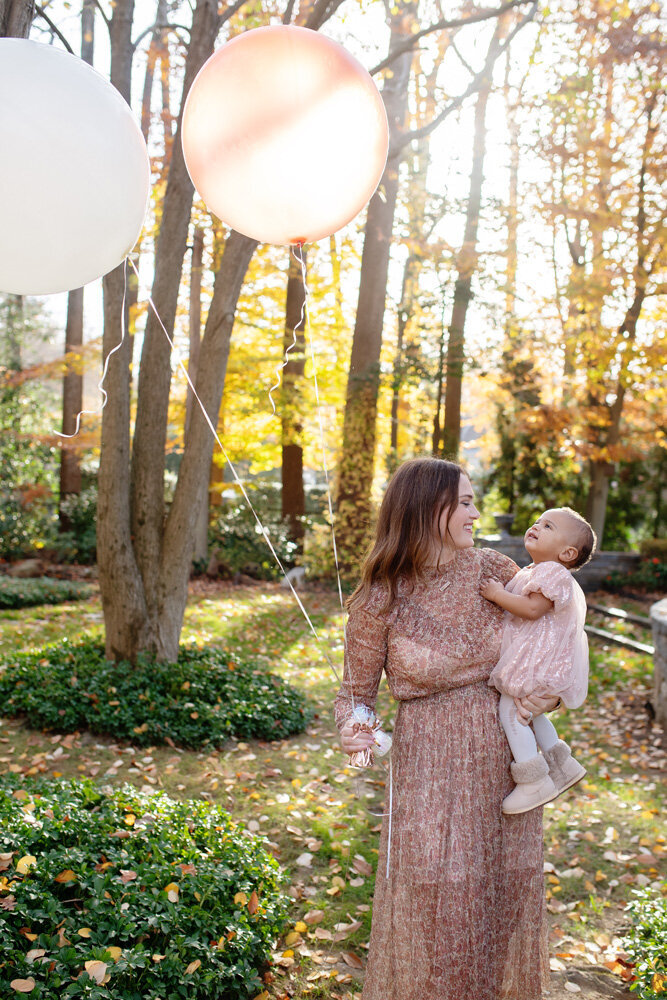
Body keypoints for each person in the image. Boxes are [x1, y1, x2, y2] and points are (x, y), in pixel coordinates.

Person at [335, 457, 553, 1000]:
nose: (476, 513)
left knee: (498, 895)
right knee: (435, 895)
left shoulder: (495, 571)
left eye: (474, 500)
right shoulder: (379, 596)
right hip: (428, 764)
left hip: (505, 757)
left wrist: (548, 689)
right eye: (465, 502)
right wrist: (354, 734)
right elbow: (357, 695)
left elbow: (551, 642)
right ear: (426, 508)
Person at [480, 508, 596, 814]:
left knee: (511, 710)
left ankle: (533, 781)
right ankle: (562, 763)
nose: (536, 526)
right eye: (537, 521)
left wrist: (495, 594)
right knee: (531, 712)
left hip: (537, 659)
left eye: (548, 526)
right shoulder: (536, 570)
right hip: (538, 658)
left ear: (567, 552)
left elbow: (532, 610)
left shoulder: (552, 572)